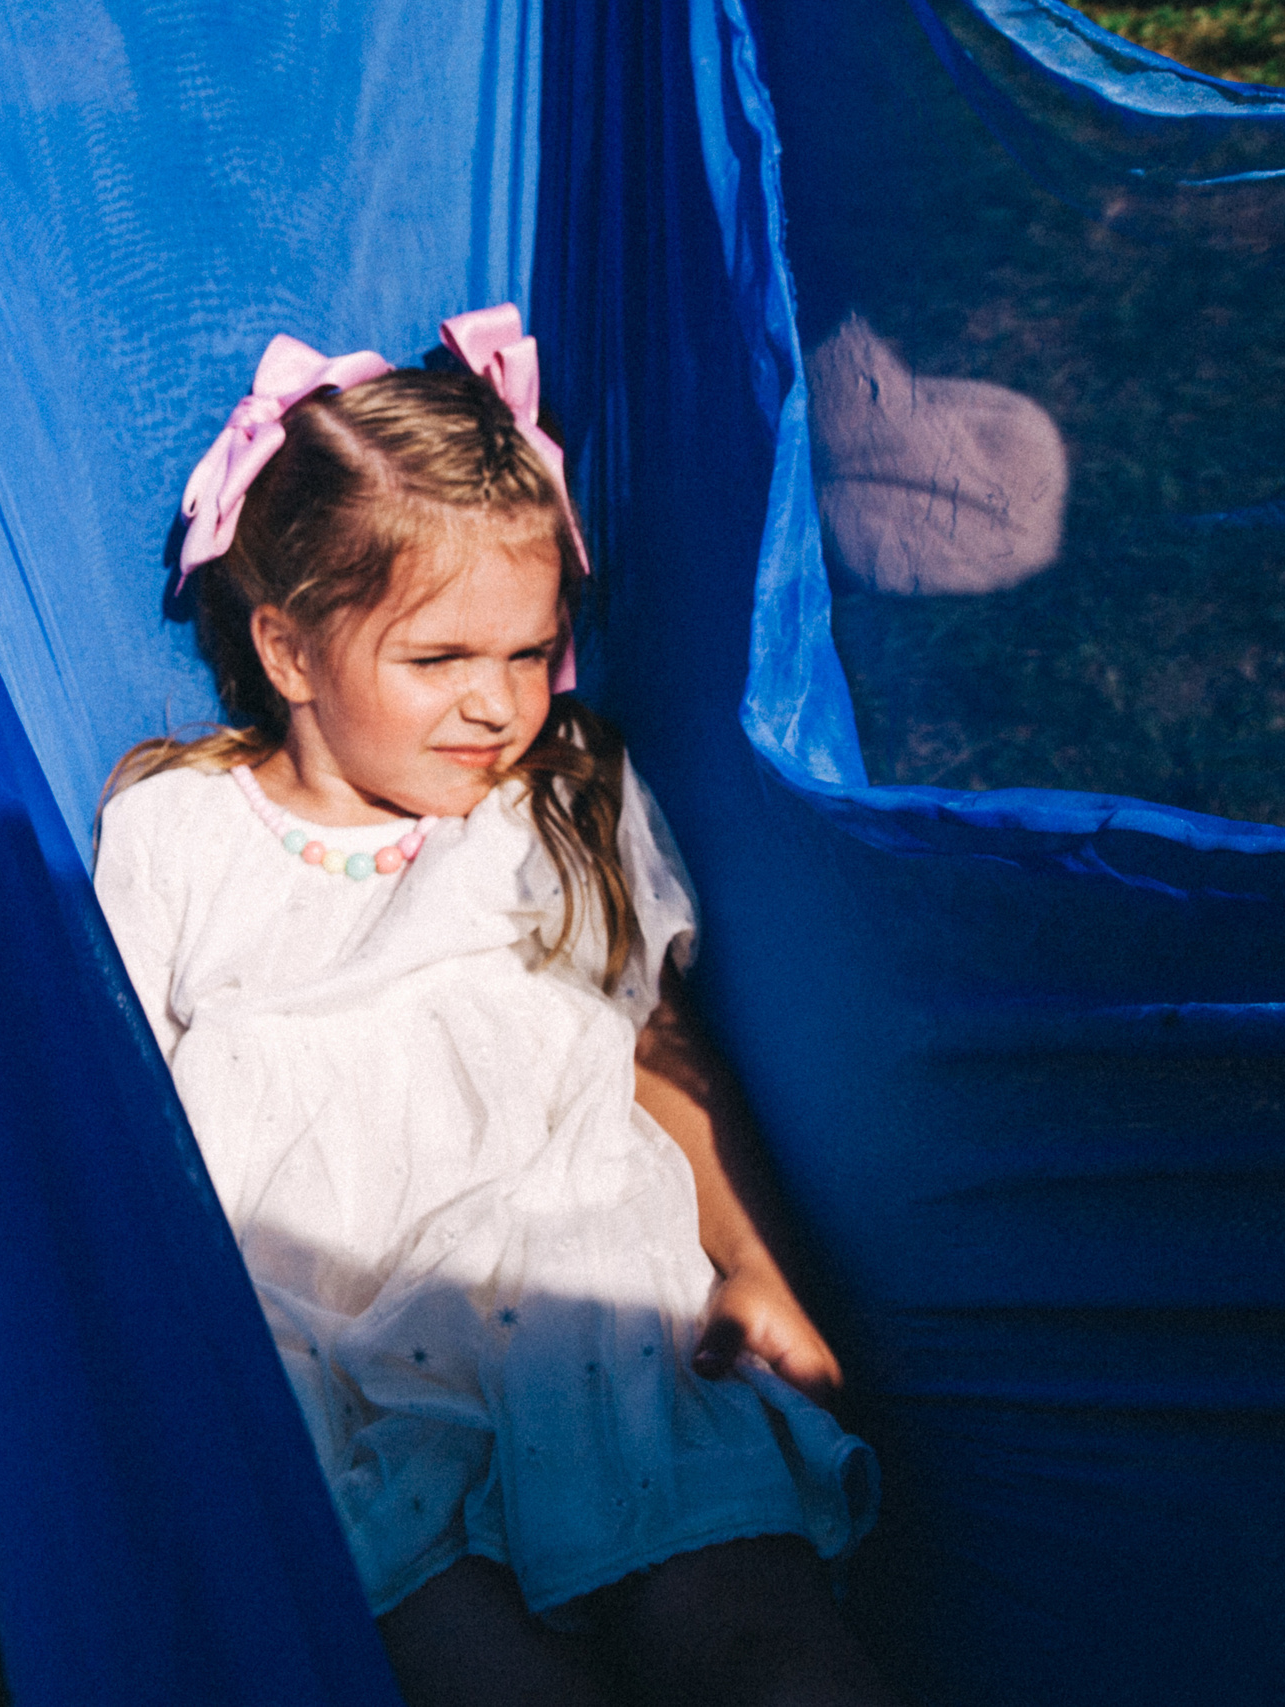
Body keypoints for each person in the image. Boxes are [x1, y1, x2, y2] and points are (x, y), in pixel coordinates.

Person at [94, 307, 899, 1707]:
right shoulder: (175, 832)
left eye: (529, 653)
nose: (497, 705)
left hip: (582, 1297)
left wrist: (757, 1260)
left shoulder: (560, 801)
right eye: (440, 661)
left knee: (768, 1654)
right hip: (329, 1353)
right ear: (286, 650)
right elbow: (115, 1111)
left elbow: (655, 1049)